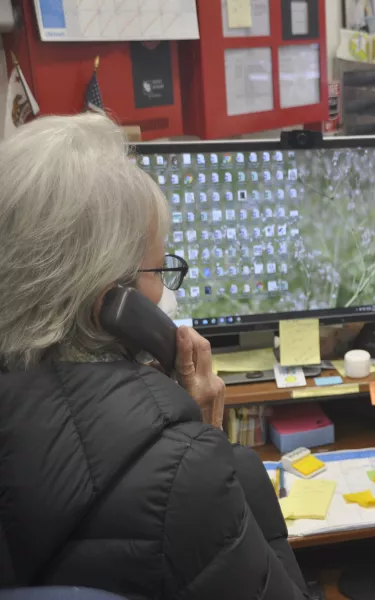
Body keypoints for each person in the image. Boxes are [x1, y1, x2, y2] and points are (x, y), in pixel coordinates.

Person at [0, 114, 309, 599]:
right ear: (114, 304)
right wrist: (207, 445)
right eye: (160, 268)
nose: (165, 289)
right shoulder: (180, 472)